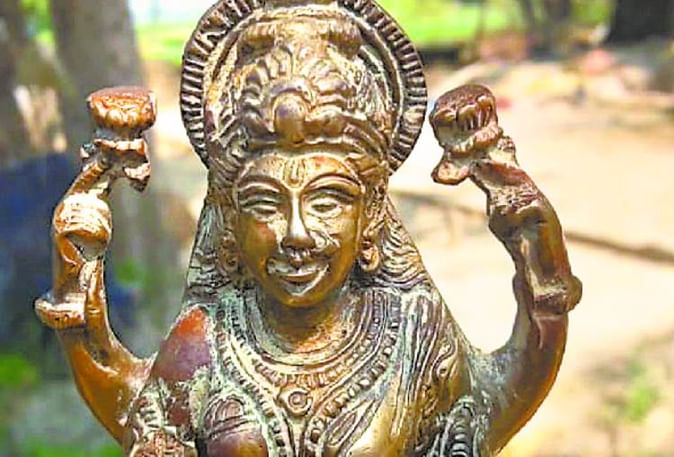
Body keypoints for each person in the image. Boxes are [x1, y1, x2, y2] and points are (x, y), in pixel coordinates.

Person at [36, 1, 581, 456]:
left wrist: (525, 227)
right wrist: (79, 265)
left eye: (328, 200)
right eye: (264, 203)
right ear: (229, 225)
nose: (296, 234)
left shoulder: (414, 335)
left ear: (370, 220)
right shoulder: (206, 342)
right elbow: (135, 412)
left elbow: (497, 401)